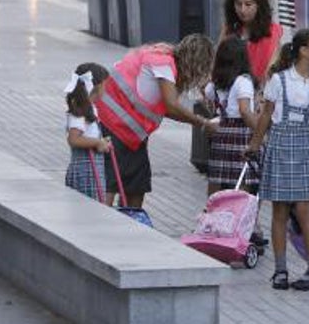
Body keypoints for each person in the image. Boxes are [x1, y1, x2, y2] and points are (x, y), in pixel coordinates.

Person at [246, 28, 309, 291]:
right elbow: (266, 115)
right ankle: (281, 270)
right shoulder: (279, 80)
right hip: (282, 143)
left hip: (303, 144)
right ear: (304, 51)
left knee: (304, 208)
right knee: (281, 210)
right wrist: (255, 143)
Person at [100, 35, 218, 211]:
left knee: (136, 185)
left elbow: (167, 108)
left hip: (129, 133)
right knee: (121, 184)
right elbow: (171, 105)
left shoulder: (165, 59)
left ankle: (130, 222)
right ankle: (119, 223)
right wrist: (203, 123)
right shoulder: (163, 63)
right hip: (116, 127)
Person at [203, 38, 260, 197]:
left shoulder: (214, 83)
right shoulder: (243, 81)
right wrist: (260, 132)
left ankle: (213, 213)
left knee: (217, 178)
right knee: (242, 180)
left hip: (220, 134)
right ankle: (240, 216)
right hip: (241, 134)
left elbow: (207, 96)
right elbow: (245, 111)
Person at [63, 63, 112, 202]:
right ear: (96, 87)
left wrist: (102, 141)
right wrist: (97, 142)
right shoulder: (79, 112)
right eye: (105, 85)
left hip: (93, 168)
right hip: (86, 170)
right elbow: (73, 139)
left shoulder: (90, 108)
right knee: (89, 205)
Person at [220, 0, 283, 84]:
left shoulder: (272, 30)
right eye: (238, 4)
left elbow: (273, 67)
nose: (242, 10)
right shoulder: (229, 29)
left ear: (259, 5)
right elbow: (219, 60)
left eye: (248, 4)